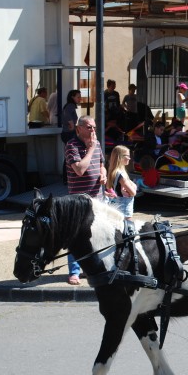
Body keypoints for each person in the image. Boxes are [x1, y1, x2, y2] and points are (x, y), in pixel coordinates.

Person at [65, 115, 107, 285]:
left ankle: (90, 270)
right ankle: (74, 272)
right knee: (76, 236)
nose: (93, 131)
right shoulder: (71, 146)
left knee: (95, 236)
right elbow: (79, 170)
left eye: (94, 127)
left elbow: (102, 163)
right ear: (79, 128)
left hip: (97, 198)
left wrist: (103, 173)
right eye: (89, 127)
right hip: (79, 200)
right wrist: (90, 149)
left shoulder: (97, 144)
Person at [106, 145, 137, 220]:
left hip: (116, 206)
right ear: (120, 157)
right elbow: (133, 193)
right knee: (127, 229)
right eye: (128, 156)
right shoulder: (121, 174)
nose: (129, 158)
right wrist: (133, 186)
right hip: (124, 208)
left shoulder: (113, 172)